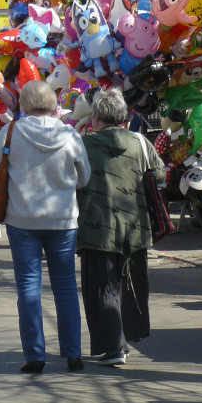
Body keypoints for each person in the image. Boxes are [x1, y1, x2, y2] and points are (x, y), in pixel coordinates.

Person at [0, 80, 91, 374]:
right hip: (63, 221)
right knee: (66, 287)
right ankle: (73, 353)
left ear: (24, 105)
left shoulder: (11, 132)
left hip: (22, 220)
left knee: (29, 288)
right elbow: (84, 178)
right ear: (54, 104)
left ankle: (35, 355)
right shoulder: (70, 135)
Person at [78, 88, 164, 366]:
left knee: (102, 287)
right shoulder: (140, 141)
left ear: (95, 116)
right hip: (135, 227)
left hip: (96, 226)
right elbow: (160, 173)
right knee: (130, 286)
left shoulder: (84, 144)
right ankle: (125, 341)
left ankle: (114, 347)